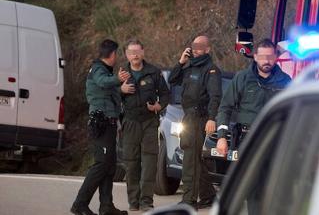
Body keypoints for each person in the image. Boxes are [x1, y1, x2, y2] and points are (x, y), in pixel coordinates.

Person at [71, 40, 130, 215]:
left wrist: (121, 89)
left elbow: (108, 92)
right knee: (101, 164)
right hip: (102, 123)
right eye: (116, 54)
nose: (117, 57)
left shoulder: (105, 71)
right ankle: (79, 204)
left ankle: (106, 206)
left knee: (110, 165)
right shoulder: (97, 69)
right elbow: (103, 82)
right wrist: (118, 80)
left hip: (110, 122)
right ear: (111, 54)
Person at [168, 35, 222, 209]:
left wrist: (212, 118)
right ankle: (208, 196)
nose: (196, 49)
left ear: (207, 49)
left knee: (190, 159)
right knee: (195, 159)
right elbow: (172, 79)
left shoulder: (211, 70)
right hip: (188, 117)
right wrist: (181, 61)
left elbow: (215, 96)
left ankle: (188, 200)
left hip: (200, 118)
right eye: (194, 46)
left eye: (200, 46)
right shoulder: (189, 67)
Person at [216, 38, 291, 156]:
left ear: (276, 57)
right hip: (246, 140)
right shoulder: (242, 78)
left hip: (274, 141)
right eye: (262, 57)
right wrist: (222, 137)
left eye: (270, 57)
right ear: (255, 57)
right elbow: (225, 108)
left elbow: (292, 112)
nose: (266, 60)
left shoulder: (286, 82)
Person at [120, 39, 170, 212]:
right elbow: (109, 96)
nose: (135, 55)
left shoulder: (154, 72)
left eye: (137, 51)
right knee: (131, 163)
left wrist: (158, 106)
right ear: (126, 54)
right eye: (131, 52)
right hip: (130, 122)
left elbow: (165, 95)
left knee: (149, 163)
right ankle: (133, 201)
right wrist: (121, 90)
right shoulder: (121, 74)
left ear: (143, 53)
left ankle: (146, 201)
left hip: (149, 122)